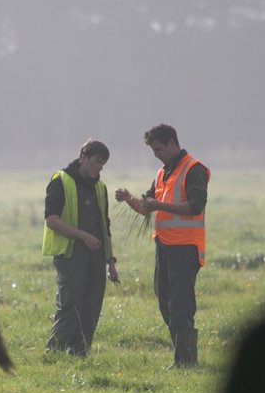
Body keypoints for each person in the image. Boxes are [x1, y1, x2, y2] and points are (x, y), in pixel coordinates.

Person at [115, 124, 209, 367]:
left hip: (186, 248)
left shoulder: (193, 169)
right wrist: (128, 199)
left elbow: (196, 206)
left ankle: (186, 361)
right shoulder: (162, 173)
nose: (155, 154)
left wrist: (159, 206)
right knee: (165, 300)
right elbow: (147, 206)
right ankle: (183, 358)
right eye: (153, 150)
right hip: (164, 247)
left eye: (158, 149)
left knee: (180, 305)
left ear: (171, 143)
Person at [41, 139, 119, 356]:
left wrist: (111, 261)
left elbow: (105, 227)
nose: (99, 169)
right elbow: (52, 220)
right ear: (83, 157)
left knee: (92, 307)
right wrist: (83, 236)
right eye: (96, 162)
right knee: (71, 306)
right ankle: (54, 353)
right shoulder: (61, 181)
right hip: (70, 255)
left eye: (103, 165)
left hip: (96, 257)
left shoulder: (100, 187)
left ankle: (79, 354)